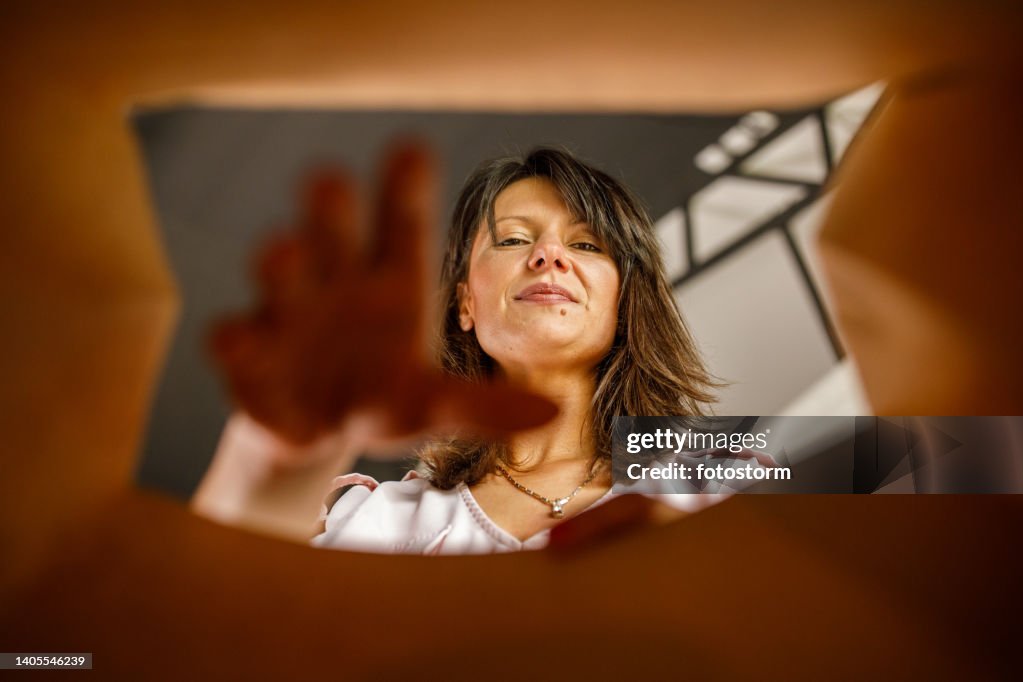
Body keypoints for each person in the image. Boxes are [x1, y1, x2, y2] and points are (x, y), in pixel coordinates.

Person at [190, 142, 733, 553]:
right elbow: (186, 627)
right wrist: (281, 455)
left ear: (625, 305)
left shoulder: (726, 480)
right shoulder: (375, 524)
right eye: (514, 239)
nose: (548, 254)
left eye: (586, 244)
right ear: (465, 305)